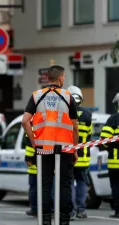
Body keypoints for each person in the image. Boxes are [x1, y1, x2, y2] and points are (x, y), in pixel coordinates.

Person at [21, 65, 79, 225]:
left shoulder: (36, 96)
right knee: (65, 185)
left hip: (43, 149)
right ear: (60, 78)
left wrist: (34, 142)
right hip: (65, 149)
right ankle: (64, 221)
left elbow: (25, 121)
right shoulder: (68, 97)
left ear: (47, 78)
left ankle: (46, 220)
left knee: (45, 184)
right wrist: (74, 149)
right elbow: (75, 126)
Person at [67, 85, 93, 219]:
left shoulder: (65, 114)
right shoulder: (88, 115)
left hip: (69, 156)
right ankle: (81, 210)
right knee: (82, 182)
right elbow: (89, 135)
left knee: (69, 183)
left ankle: (70, 212)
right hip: (83, 157)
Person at [99, 92, 119, 218]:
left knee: (117, 186)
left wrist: (107, 147)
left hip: (115, 162)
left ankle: (118, 211)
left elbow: (104, 141)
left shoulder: (113, 119)